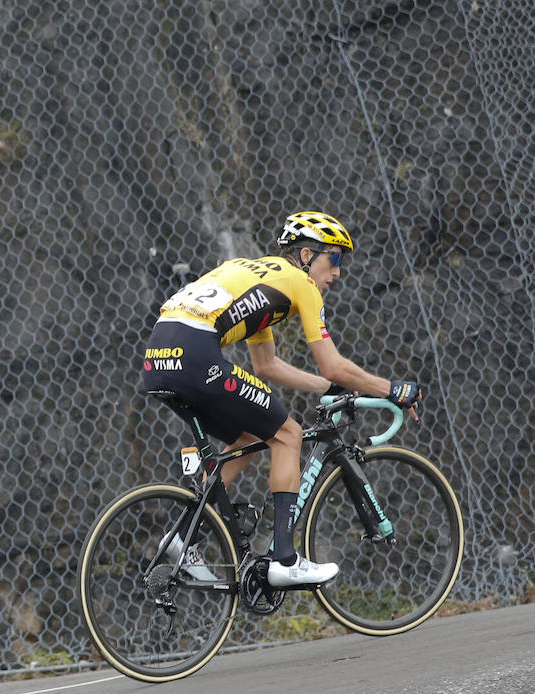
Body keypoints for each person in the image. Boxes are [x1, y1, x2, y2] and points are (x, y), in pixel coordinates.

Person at [139, 211, 421, 587]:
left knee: (250, 438)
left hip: (158, 359)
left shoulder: (257, 274)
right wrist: (392, 389)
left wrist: (328, 389)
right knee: (287, 434)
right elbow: (333, 364)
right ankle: (285, 560)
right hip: (195, 355)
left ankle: (182, 537)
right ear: (306, 256)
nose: (337, 272)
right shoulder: (299, 283)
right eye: (333, 259)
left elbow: (266, 365)